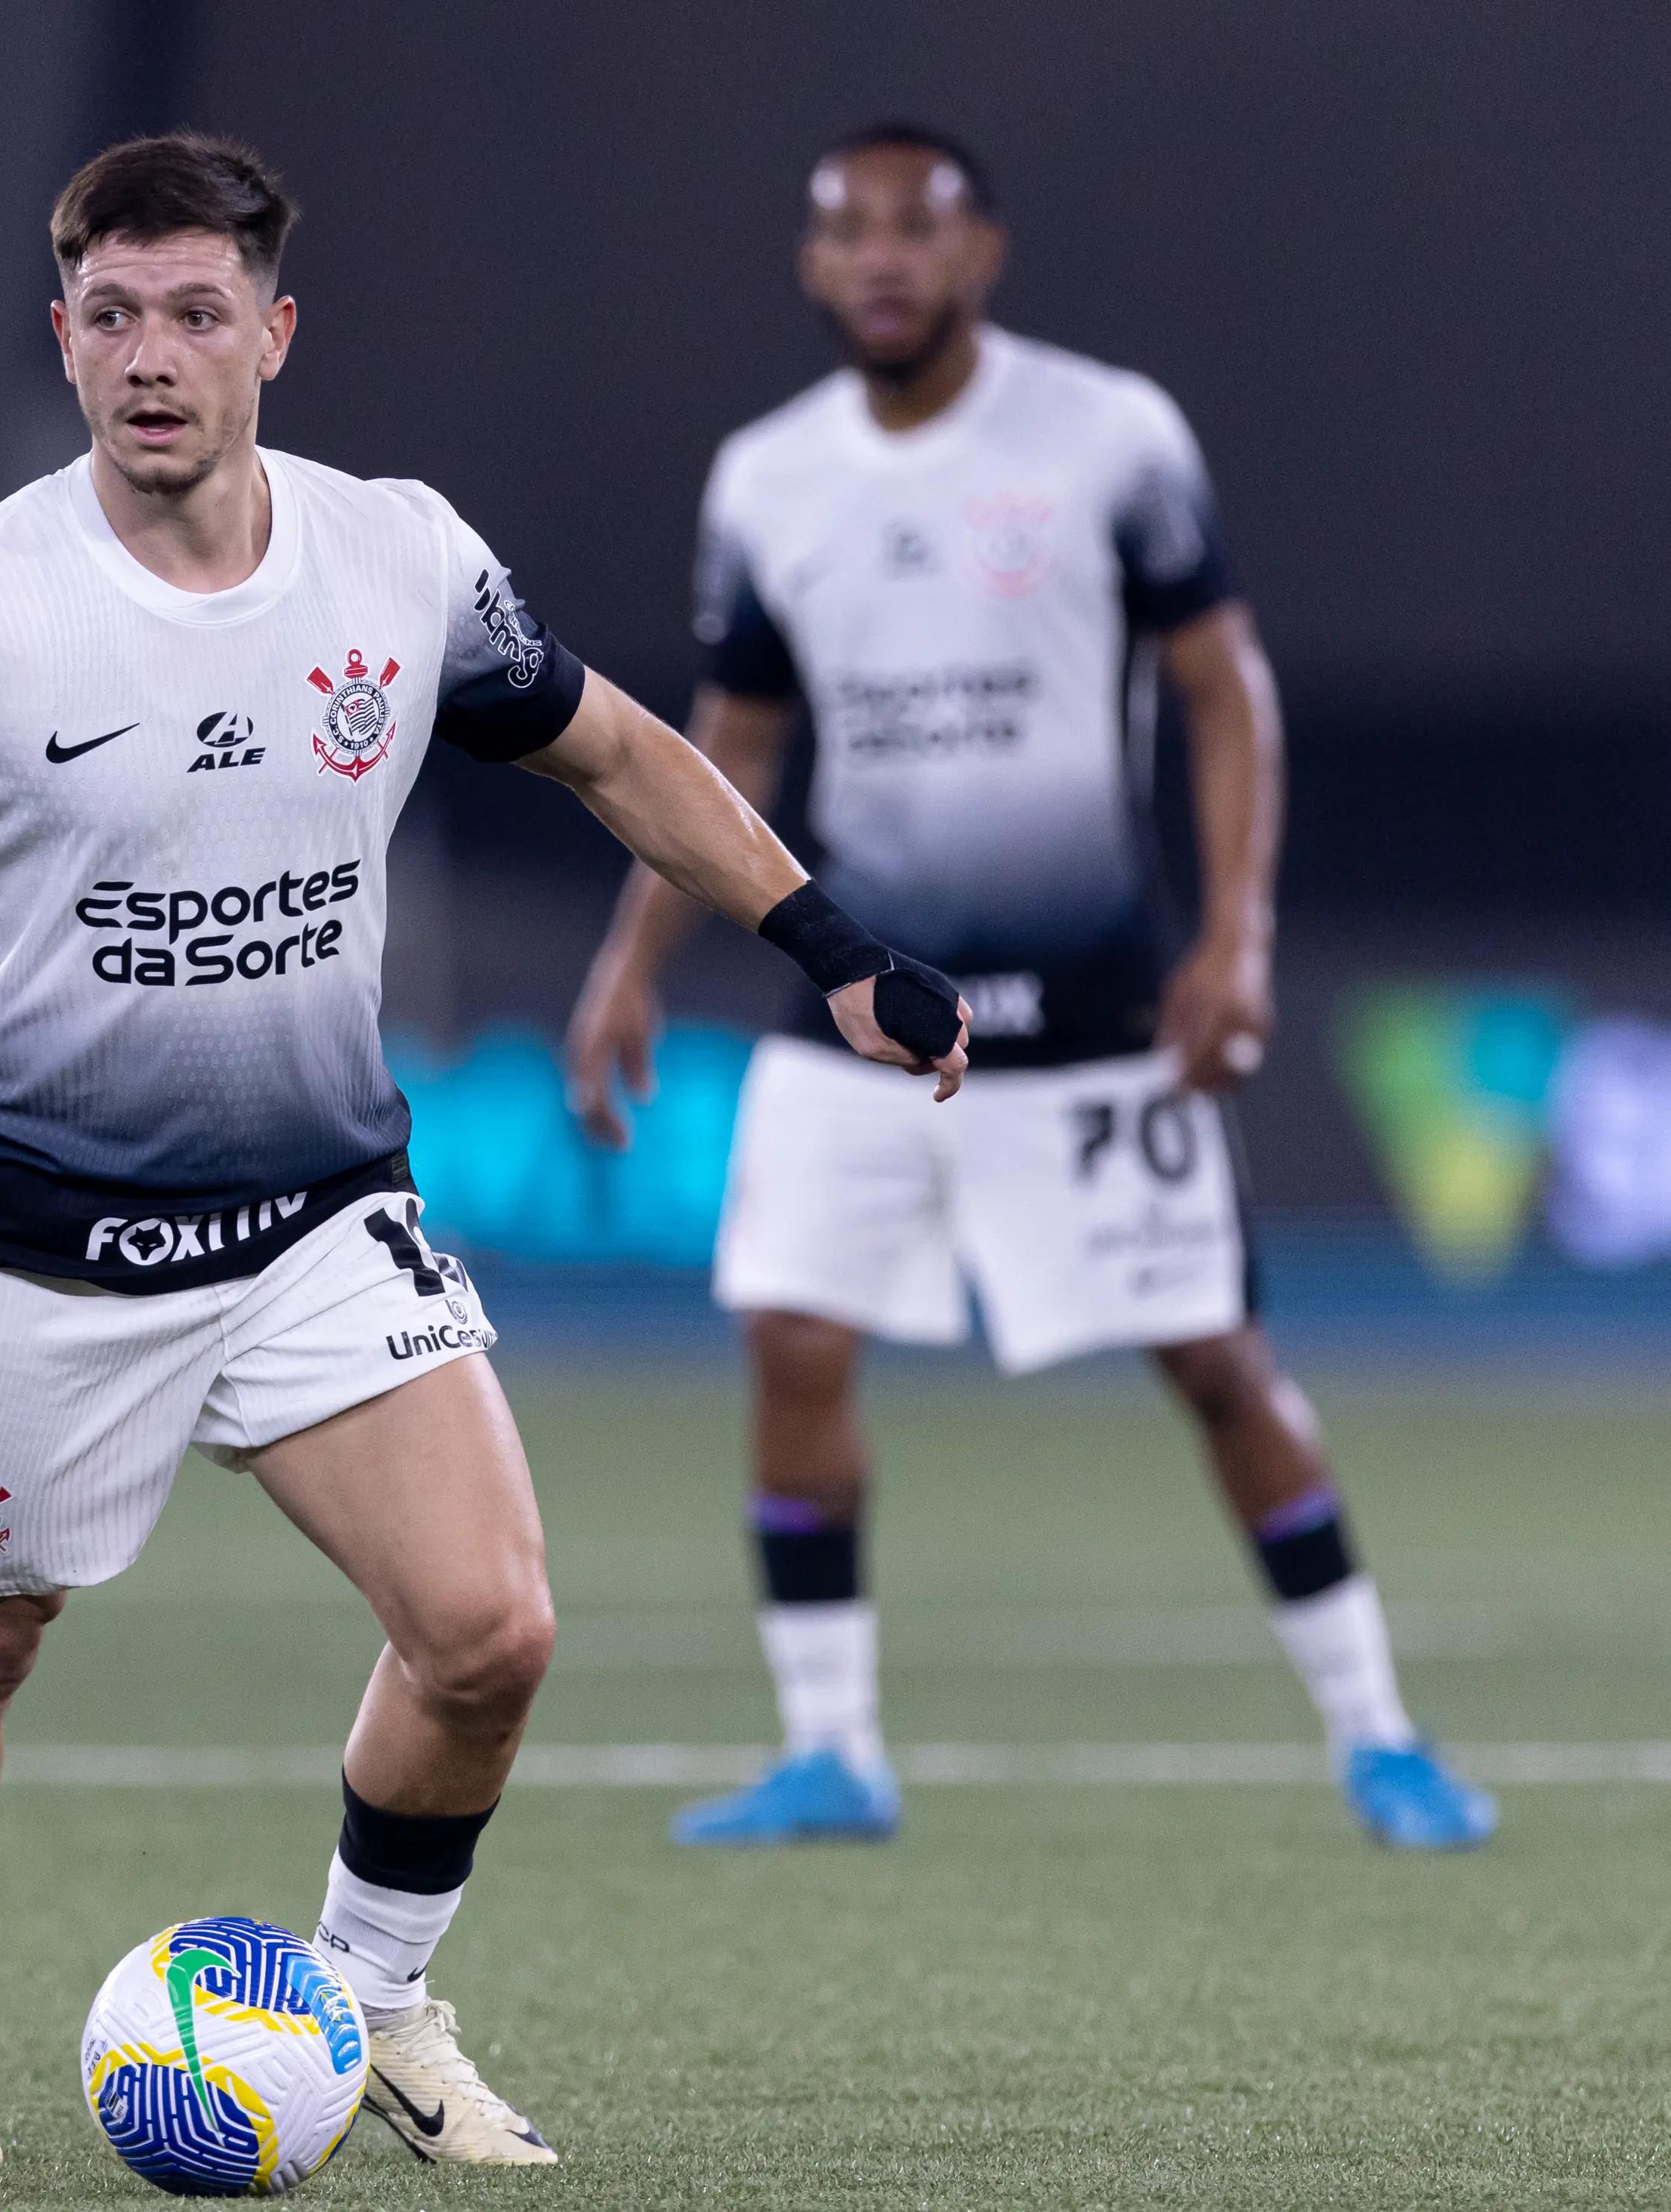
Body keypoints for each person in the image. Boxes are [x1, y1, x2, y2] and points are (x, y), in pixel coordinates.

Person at [0, 132, 968, 2167]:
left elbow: (609, 750)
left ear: (273, 337)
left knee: (493, 1630)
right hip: (45, 1244)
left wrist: (827, 947)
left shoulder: (397, 563)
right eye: (113, 315)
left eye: (197, 312)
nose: (154, 353)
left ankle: (382, 2011)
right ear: (64, 343)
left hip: (319, 1219)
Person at [567, 123, 1496, 1854]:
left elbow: (1226, 690)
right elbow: (732, 743)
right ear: (812, 265)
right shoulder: (770, 479)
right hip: (865, 1009)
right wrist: (635, 962)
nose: (885, 257)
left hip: (1088, 1009)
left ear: (981, 250)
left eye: (921, 226)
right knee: (789, 1339)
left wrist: (1241, 933)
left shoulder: (1110, 436)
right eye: (850, 229)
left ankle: (1380, 1733)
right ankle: (832, 1751)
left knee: (1217, 1362)